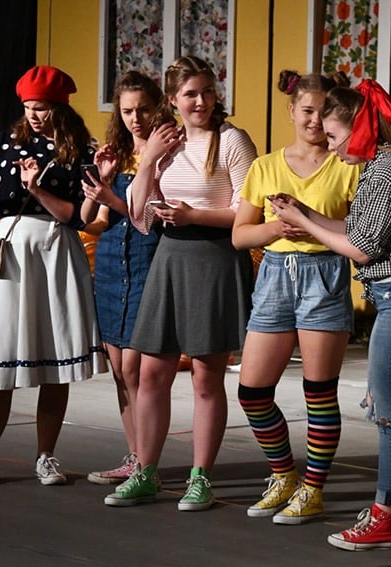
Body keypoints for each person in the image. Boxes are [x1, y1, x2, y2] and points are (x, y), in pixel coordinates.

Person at [272, 79, 391, 550]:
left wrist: (305, 222)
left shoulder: (385, 171)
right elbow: (358, 229)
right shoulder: (380, 168)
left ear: (361, 131)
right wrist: (306, 212)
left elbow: (361, 249)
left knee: (390, 417)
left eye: (334, 136)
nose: (330, 147)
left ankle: (384, 517)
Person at [103, 56, 257, 511]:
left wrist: (195, 216)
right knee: (152, 372)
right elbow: (139, 216)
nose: (201, 101)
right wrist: (148, 157)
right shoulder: (164, 141)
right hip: (170, 257)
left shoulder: (232, 140)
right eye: (190, 94)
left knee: (207, 376)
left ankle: (200, 477)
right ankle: (145, 471)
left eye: (207, 91)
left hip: (214, 257)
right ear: (172, 100)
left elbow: (248, 211)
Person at [0, 65, 107, 488]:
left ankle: (46, 456)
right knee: (0, 355)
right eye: (28, 107)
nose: (34, 115)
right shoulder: (4, 143)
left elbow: (77, 218)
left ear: (59, 107)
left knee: (55, 362)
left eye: (41, 108)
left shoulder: (79, 149)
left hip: (55, 250)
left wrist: (38, 188)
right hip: (14, 249)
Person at [231, 70, 359, 525]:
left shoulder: (348, 164)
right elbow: (240, 235)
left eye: (324, 112)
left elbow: (359, 230)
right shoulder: (265, 166)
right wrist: (275, 227)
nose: (315, 121)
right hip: (274, 275)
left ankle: (313, 489)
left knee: (318, 393)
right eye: (307, 110)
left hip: (323, 274)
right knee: (252, 392)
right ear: (291, 111)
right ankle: (283, 475)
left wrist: (311, 223)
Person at [81, 71, 173, 485]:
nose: (136, 118)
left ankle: (146, 462)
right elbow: (92, 220)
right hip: (111, 265)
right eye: (128, 111)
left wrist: (111, 198)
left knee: (136, 367)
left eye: (143, 109)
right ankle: (134, 455)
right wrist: (100, 184)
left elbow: (151, 219)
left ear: (158, 107)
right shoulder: (117, 153)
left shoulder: (166, 151)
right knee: (119, 369)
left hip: (146, 260)